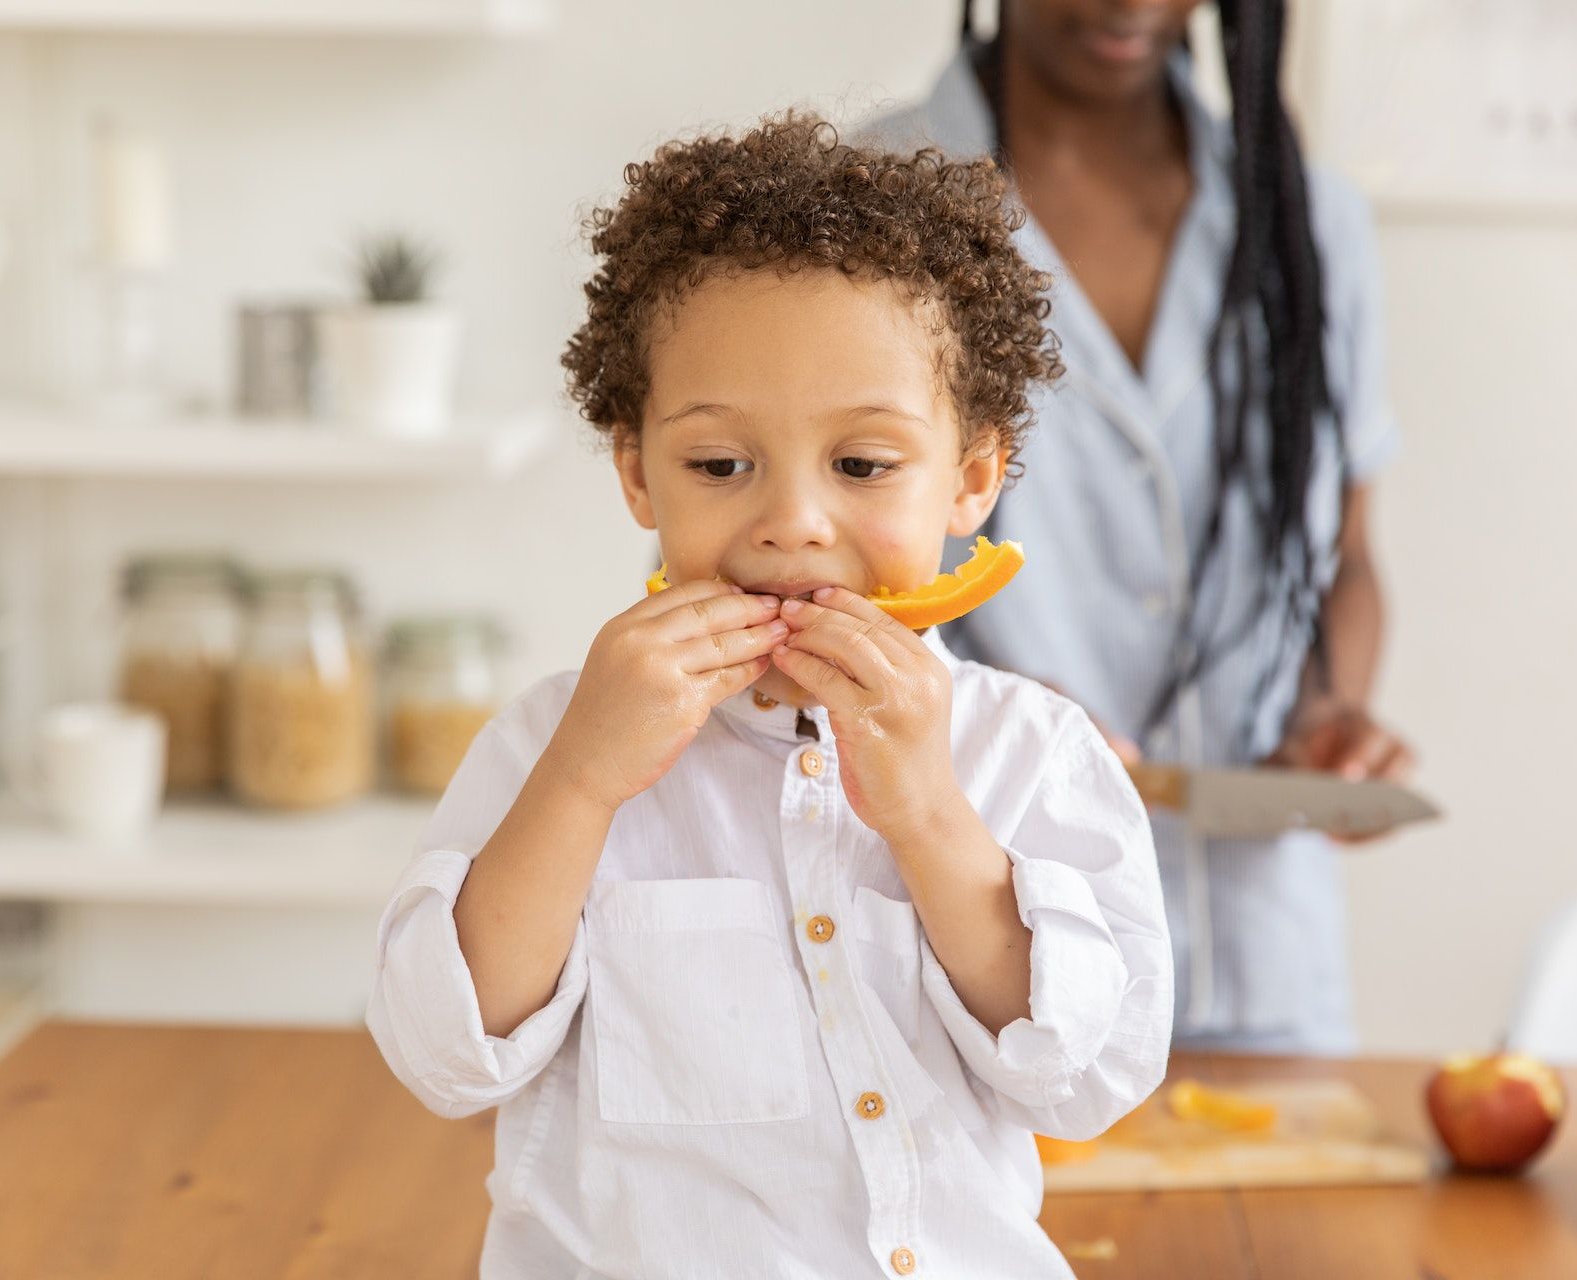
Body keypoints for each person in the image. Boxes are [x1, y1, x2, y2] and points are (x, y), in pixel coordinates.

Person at [367, 114, 1171, 1278]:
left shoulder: (1034, 752)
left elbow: (1088, 1078)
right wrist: (585, 782)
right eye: (718, 464)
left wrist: (931, 817)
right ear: (638, 472)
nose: (793, 521)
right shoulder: (555, 741)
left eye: (862, 464)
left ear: (974, 477)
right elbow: (445, 1053)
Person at [863, 0, 1415, 1053]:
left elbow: (1347, 554)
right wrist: (990, 712)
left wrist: (1331, 708)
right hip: (966, 950)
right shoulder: (862, 207)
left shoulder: (1308, 221)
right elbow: (766, 561)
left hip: (1258, 941)